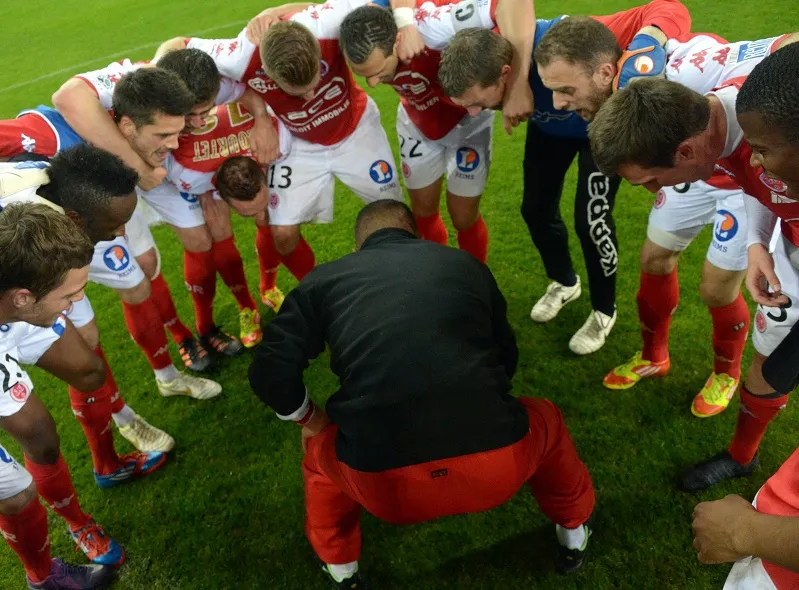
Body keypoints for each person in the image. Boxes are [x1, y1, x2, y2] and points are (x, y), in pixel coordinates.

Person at [249, 199, 596, 587]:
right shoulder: (466, 265)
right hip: (497, 466)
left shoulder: (323, 280)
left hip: (383, 487)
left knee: (318, 457)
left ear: (357, 249)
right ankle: (574, 532)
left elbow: (269, 372)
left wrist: (310, 420)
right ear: (416, 235)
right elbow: (506, 355)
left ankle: (341, 568)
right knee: (546, 417)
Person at [587, 35, 799, 492]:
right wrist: (759, 242)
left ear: (684, 153)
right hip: (791, 257)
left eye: (650, 181)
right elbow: (755, 183)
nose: (650, 193)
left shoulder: (772, 124)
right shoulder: (735, 129)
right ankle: (741, 457)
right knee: (767, 369)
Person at [438, 0, 692, 355]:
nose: (474, 112)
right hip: (550, 133)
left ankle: (604, 309)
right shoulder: (488, 51)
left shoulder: (566, 43)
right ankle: (564, 282)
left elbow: (670, 8)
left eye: (478, 102)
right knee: (535, 210)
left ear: (505, 72)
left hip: (598, 133)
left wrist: (645, 48)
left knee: (591, 220)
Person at [532, 18, 757, 417]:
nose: (560, 104)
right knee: (654, 258)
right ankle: (654, 355)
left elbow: (667, 8)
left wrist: (651, 38)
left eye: (567, 91)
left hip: (740, 183)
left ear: (603, 73)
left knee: (717, 288)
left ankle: (727, 371)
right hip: (685, 169)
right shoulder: (629, 104)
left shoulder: (680, 72)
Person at [159, 0, 403, 281]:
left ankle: (405, 279)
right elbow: (176, 46)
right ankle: (319, 294)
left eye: (313, 83)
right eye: (296, 92)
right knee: (282, 233)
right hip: (299, 144)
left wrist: (407, 23)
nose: (310, 97)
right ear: (267, 72)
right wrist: (260, 116)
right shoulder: (241, 54)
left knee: (394, 217)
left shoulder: (326, 23)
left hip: (357, 130)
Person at [52, 48, 275, 349]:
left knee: (200, 241)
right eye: (189, 115)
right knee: (143, 265)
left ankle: (205, 328)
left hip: (158, 170)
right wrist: (136, 165)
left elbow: (238, 91)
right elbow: (67, 97)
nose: (197, 123)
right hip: (109, 178)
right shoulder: (138, 82)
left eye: (203, 112)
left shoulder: (200, 79)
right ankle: (181, 337)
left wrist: (261, 117)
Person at [0, 145, 173, 477]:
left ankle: (108, 463)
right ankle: (73, 522)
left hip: (28, 298)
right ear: (75, 219)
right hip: (17, 300)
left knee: (89, 370)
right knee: (40, 437)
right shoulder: (20, 212)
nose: (121, 232)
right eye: (115, 224)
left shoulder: (55, 187)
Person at [0, 203, 138, 588]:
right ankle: (51, 566)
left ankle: (107, 465)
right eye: (70, 294)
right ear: (25, 297)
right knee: (21, 481)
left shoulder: (22, 285)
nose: (77, 303)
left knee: (90, 372)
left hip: (11, 315)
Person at [336, 0, 534, 263]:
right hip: (418, 125)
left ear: (397, 41)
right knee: (423, 212)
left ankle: (476, 279)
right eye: (364, 76)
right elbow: (311, 14)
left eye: (378, 71)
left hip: (468, 124)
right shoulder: (361, 24)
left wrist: (518, 84)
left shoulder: (434, 25)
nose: (372, 83)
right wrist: (273, 11)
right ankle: (438, 275)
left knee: (463, 217)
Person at [165, 101, 291, 318]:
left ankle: (268, 288)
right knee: (219, 231)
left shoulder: (277, 137)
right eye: (245, 213)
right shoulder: (186, 172)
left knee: (268, 218)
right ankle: (246, 307)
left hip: (246, 144)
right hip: (204, 165)